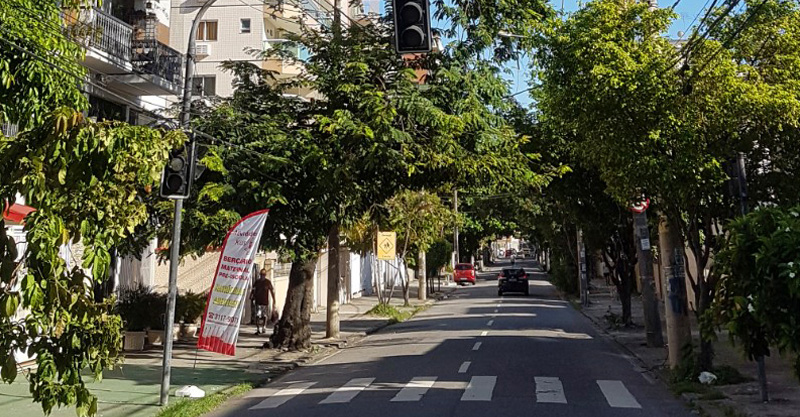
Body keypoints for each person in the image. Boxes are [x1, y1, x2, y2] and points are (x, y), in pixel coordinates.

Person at [251, 268, 276, 335]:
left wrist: (274, 300)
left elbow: (272, 291)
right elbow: (253, 289)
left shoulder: (268, 282)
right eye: (261, 274)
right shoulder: (257, 282)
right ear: (260, 275)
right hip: (258, 301)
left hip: (265, 302)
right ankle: (258, 329)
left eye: (264, 275)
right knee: (257, 315)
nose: (262, 276)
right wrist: (252, 296)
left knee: (264, 315)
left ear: (265, 275)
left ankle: (264, 327)